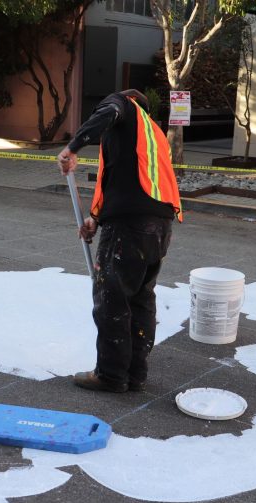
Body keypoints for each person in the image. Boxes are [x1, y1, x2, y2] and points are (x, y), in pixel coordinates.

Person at [57, 89, 181, 393]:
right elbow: (118, 179)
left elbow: (109, 110)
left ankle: (111, 375)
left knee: (111, 300)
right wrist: (96, 219)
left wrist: (73, 147)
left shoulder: (123, 106)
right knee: (140, 298)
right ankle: (135, 374)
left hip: (129, 228)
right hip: (159, 226)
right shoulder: (151, 134)